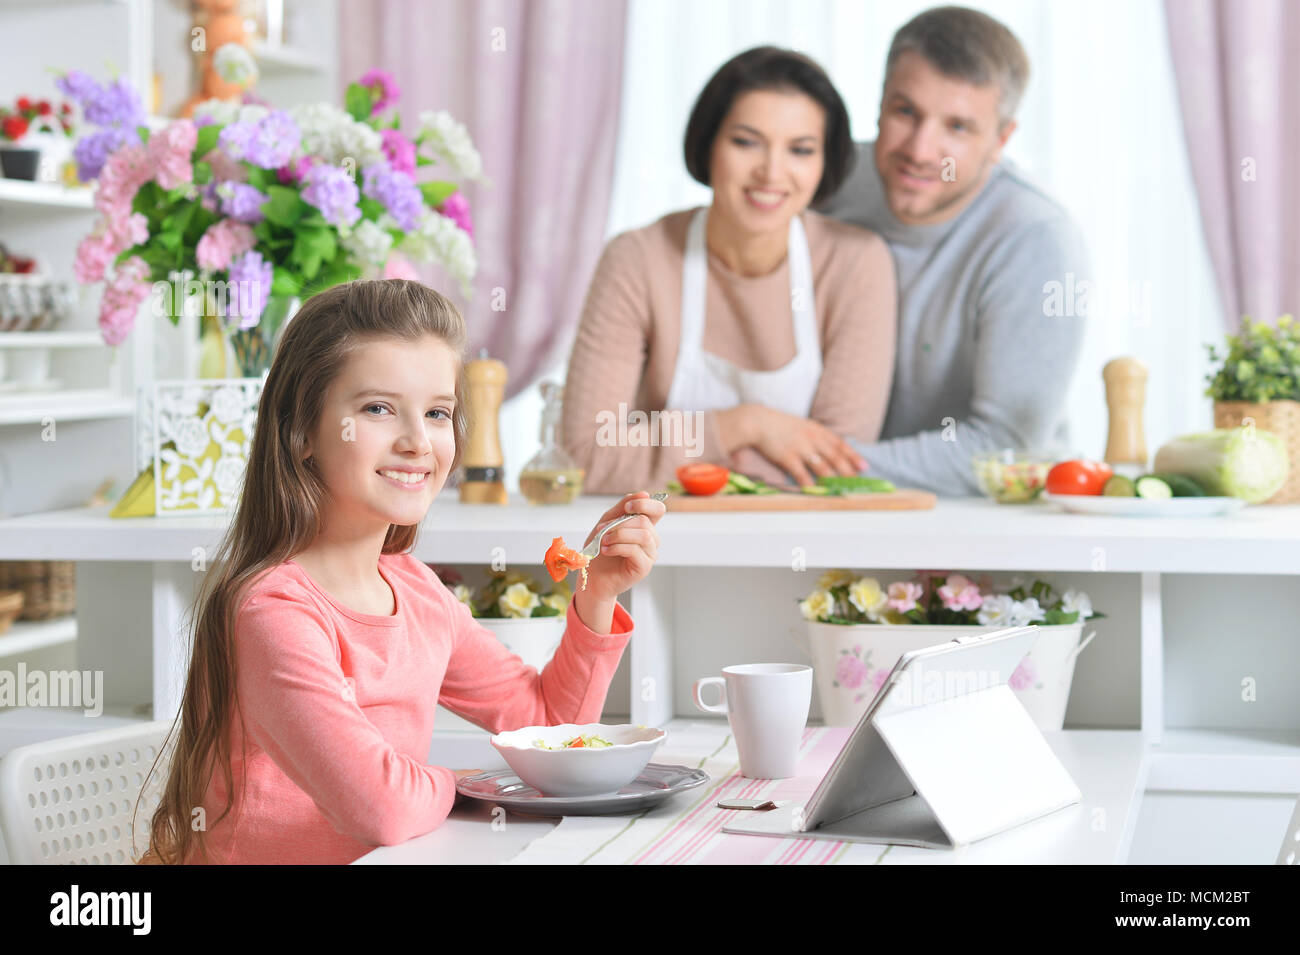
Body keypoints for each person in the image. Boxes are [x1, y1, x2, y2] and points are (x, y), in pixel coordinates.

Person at [143, 280, 664, 865]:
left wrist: (595, 597)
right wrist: (468, 785)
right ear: (303, 432)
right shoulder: (274, 611)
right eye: (378, 409)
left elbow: (549, 728)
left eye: (438, 413)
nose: (419, 442)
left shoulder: (413, 588)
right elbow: (380, 807)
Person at [563, 46, 897, 493]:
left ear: (824, 164)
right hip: (651, 546)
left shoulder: (857, 264)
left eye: (800, 149)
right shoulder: (638, 259)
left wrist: (661, 450)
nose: (771, 172)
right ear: (709, 145)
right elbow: (587, 453)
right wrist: (747, 426)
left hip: (808, 546)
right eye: (745, 142)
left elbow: (837, 463)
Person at [817, 6, 1090, 496]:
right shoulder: (825, 183)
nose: (921, 150)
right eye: (905, 111)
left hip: (982, 520)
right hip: (833, 505)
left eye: (957, 127)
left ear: (1001, 139)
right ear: (879, 103)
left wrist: (810, 466)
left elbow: (1006, 446)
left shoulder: (1036, 239)